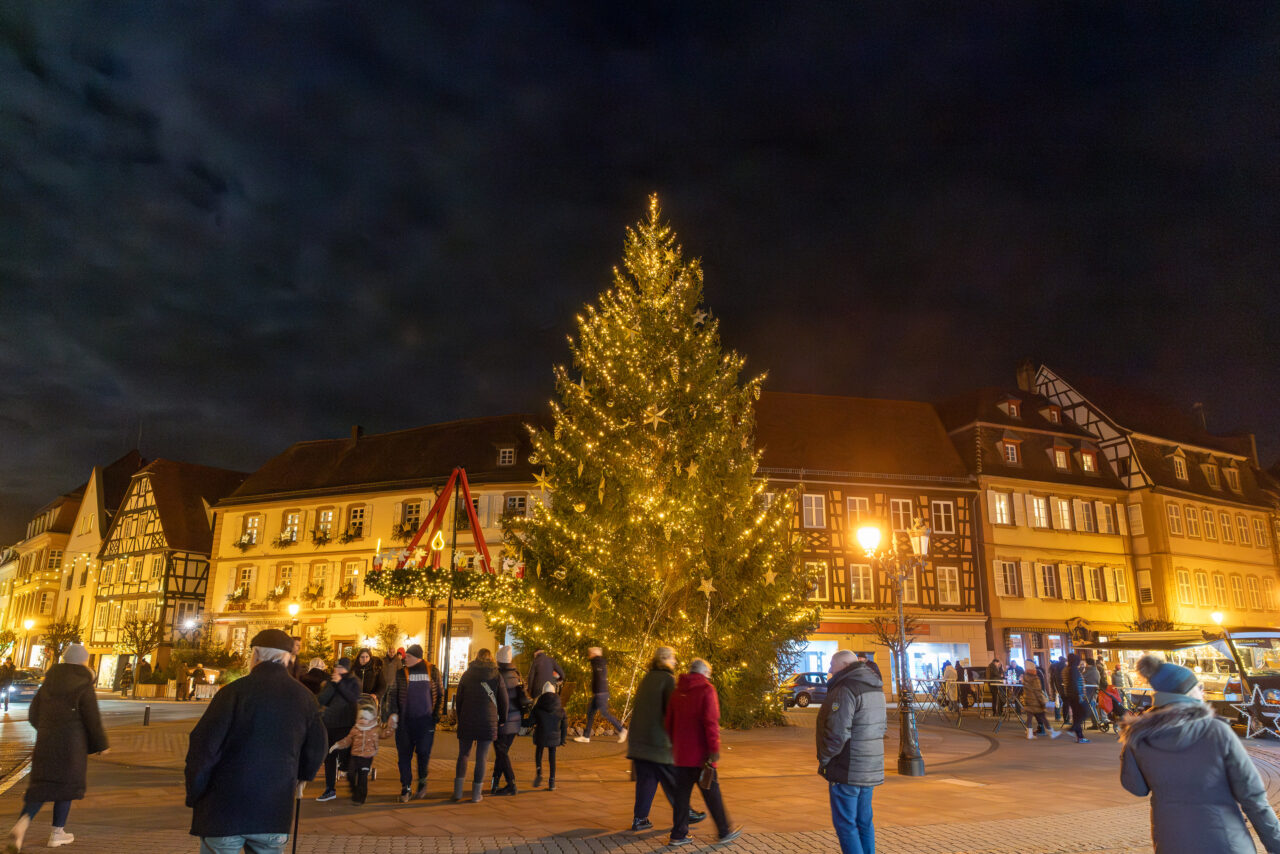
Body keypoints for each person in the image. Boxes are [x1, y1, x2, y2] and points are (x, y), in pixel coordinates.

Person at [185, 628, 327, 854]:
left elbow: (204, 746)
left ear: (256, 655)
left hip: (224, 808)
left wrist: (195, 791)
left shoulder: (232, 692)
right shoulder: (304, 697)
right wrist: (302, 777)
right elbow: (318, 745)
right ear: (287, 658)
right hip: (273, 808)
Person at [1121, 654, 1280, 853]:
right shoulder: (1216, 731)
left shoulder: (1139, 734)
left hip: (1171, 843)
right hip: (1225, 842)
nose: (1202, 692)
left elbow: (1136, 787)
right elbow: (1253, 798)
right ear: (1186, 692)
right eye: (1198, 687)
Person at [6, 644, 108, 852]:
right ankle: (57, 833)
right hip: (72, 745)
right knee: (66, 787)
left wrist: (45, 729)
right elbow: (92, 717)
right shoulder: (84, 682)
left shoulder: (49, 682)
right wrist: (101, 744)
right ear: (82, 661)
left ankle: (22, 824)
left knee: (41, 786)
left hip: (46, 741)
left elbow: (34, 712)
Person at [625, 646, 706, 832]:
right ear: (664, 659)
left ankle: (640, 819)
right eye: (673, 658)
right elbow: (673, 710)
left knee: (647, 780)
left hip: (639, 741)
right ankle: (686, 814)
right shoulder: (667, 679)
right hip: (659, 743)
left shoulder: (647, 678)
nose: (675, 662)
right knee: (674, 780)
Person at [664, 658, 742, 847]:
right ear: (704, 672)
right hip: (701, 757)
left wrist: (675, 745)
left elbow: (668, 723)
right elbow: (710, 723)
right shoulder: (707, 690)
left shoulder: (676, 692)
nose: (710, 676)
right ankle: (724, 831)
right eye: (709, 672)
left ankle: (678, 834)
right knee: (712, 793)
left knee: (682, 796)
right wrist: (714, 749)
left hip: (681, 756)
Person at [816, 650, 885, 854]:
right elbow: (882, 727)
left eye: (832, 665)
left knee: (846, 824)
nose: (829, 670)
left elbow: (837, 732)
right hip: (869, 766)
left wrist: (826, 759)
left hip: (848, 766)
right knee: (864, 822)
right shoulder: (875, 686)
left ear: (844, 665)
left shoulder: (845, 687)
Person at [383, 644, 444, 802]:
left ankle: (422, 781)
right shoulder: (401, 673)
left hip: (425, 722)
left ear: (417, 657)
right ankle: (406, 787)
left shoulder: (432, 671)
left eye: (408, 657)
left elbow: (440, 694)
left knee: (423, 753)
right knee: (404, 756)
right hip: (405, 723)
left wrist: (436, 715)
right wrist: (393, 714)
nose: (405, 659)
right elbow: (393, 694)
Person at [452, 648, 508, 803]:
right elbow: (504, 700)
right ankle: (476, 794)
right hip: (487, 721)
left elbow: (459, 699)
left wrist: (460, 716)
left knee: (463, 755)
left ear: (476, 658)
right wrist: (502, 719)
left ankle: (457, 792)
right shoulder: (496, 675)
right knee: (481, 757)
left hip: (468, 718)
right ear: (491, 659)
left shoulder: (467, 674)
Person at [315, 657, 361, 802]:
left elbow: (353, 698)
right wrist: (332, 685)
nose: (336, 670)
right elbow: (322, 699)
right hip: (329, 723)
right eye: (336, 667)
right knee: (329, 757)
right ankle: (330, 789)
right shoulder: (331, 681)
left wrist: (340, 684)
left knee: (346, 759)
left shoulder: (353, 681)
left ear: (346, 669)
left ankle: (355, 789)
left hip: (346, 724)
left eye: (340, 667)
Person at [328, 694, 381, 805]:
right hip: (355, 755)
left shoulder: (374, 729)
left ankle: (360, 798)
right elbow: (348, 740)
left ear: (371, 719)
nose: (362, 720)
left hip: (367, 757)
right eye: (361, 718)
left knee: (362, 777)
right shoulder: (355, 729)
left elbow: (385, 734)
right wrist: (337, 745)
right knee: (350, 774)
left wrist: (391, 726)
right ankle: (354, 789)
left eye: (365, 718)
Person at [491, 646, 528, 796]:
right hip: (516, 719)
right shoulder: (516, 674)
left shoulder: (496, 675)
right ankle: (495, 782)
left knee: (501, 751)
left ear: (498, 659)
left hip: (502, 720)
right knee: (502, 752)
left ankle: (511, 783)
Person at [575, 647, 627, 744]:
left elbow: (599, 678)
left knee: (604, 713)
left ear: (594, 654)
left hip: (600, 693)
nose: (589, 655)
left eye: (590, 653)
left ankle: (622, 730)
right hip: (598, 693)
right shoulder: (597, 662)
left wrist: (598, 692)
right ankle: (586, 737)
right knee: (590, 712)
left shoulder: (597, 662)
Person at [530, 681, 567, 791]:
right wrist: (563, 739)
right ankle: (552, 781)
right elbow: (564, 724)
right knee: (552, 757)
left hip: (541, 735)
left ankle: (539, 771)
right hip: (554, 737)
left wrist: (521, 721)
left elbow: (530, 721)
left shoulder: (538, 707)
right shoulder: (560, 708)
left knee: (539, 752)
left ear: (543, 693)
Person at [1021, 660, 1059, 741]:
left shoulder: (1025, 676)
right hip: (1035, 702)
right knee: (1043, 717)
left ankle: (1029, 734)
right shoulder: (1035, 678)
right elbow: (1038, 691)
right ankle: (1052, 732)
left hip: (1028, 700)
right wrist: (1042, 702)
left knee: (1029, 718)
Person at [1063, 652, 1088, 743]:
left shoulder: (1067, 669)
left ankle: (1080, 736)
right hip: (1076, 695)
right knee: (1084, 713)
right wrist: (1080, 695)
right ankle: (1073, 728)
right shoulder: (1073, 670)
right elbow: (1075, 684)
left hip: (1071, 695)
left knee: (1077, 715)